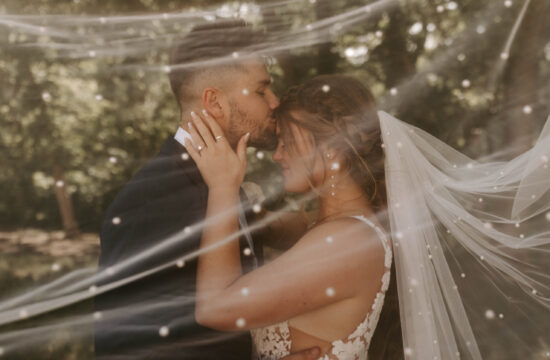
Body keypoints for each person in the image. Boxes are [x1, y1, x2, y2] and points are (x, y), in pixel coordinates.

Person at [94, 20, 321, 360]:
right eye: (261, 91)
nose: (274, 102)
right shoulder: (151, 200)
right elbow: (130, 349)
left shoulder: (223, 180)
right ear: (214, 102)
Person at [185, 74, 403, 359]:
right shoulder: (330, 224)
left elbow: (214, 309)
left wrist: (223, 187)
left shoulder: (345, 241)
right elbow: (268, 227)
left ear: (333, 149)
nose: (277, 155)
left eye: (287, 142)